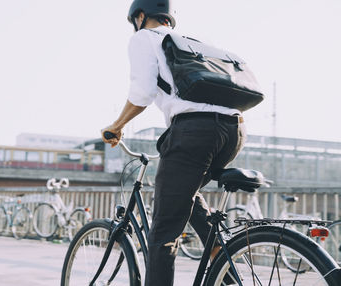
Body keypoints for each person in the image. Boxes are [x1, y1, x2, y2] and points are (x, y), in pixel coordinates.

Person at [101, 1, 246, 285]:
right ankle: (221, 257)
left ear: (140, 16)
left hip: (195, 132)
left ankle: (216, 255)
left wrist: (116, 126)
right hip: (234, 130)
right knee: (184, 194)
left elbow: (142, 92)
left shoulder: (144, 37)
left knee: (163, 234)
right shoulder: (193, 42)